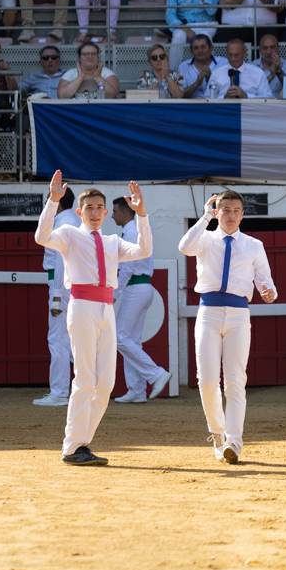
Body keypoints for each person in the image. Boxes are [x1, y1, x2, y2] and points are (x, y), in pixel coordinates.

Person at [35, 171, 153, 466]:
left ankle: (80, 444)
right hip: (83, 305)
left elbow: (144, 250)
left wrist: (141, 215)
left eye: (100, 207)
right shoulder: (69, 234)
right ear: (80, 212)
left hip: (105, 308)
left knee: (106, 383)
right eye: (90, 207)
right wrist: (53, 201)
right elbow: (41, 237)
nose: (96, 212)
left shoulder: (113, 241)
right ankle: (73, 445)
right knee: (85, 377)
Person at [179, 190, 276, 465]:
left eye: (236, 210)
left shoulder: (253, 245)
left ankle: (234, 439)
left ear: (243, 214)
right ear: (217, 212)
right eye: (225, 210)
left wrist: (269, 292)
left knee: (235, 380)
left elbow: (265, 279)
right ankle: (217, 433)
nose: (231, 215)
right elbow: (184, 247)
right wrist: (205, 216)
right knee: (207, 380)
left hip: (238, 313)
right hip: (208, 311)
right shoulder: (206, 238)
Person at [109, 196, 171, 404]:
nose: (112, 214)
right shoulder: (137, 229)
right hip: (143, 287)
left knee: (121, 338)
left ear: (125, 212)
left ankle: (156, 374)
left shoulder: (131, 231)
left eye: (115, 211)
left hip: (135, 287)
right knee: (130, 340)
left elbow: (127, 268)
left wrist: (114, 293)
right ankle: (136, 390)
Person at [31, 184, 76, 406]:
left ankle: (59, 393)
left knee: (58, 339)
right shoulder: (73, 221)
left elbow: (60, 262)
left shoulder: (64, 223)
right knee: (70, 340)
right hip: (72, 287)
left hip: (62, 286)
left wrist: (57, 294)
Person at [179, 34, 228, 98]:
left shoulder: (223, 63)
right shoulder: (183, 67)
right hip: (193, 105)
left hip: (217, 105)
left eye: (203, 47)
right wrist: (196, 84)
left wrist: (211, 81)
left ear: (211, 48)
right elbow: (179, 95)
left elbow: (228, 92)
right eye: (196, 48)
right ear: (191, 52)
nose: (200, 51)